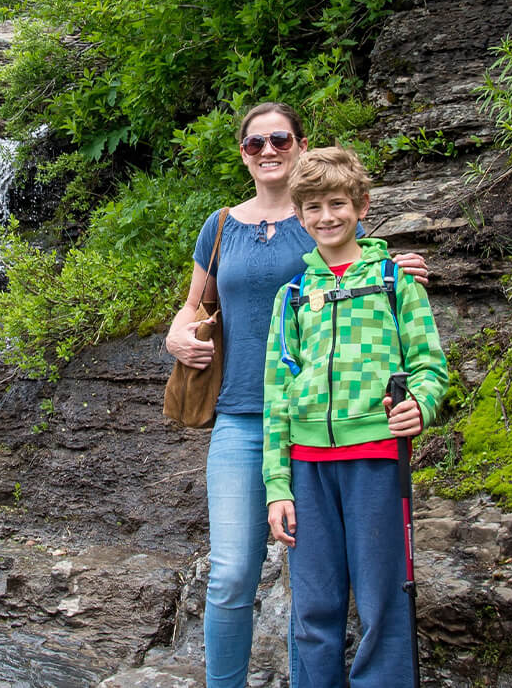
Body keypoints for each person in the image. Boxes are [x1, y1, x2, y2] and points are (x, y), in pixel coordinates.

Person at [164, 103, 427, 688]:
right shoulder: (221, 225)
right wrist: (178, 335)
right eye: (255, 143)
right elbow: (193, 307)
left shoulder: (320, 213)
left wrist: (395, 265)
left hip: (319, 424)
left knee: (312, 580)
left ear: (301, 144)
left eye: (279, 138)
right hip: (241, 417)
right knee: (233, 572)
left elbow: (355, 257)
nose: (267, 150)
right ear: (243, 154)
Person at [263, 146, 446, 688]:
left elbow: (430, 366)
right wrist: (277, 484)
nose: (327, 216)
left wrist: (421, 404)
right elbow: (276, 392)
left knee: (383, 601)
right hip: (307, 469)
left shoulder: (396, 281)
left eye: (338, 203)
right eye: (313, 207)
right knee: (314, 607)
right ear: (299, 216)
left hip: (376, 461)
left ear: (361, 206)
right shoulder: (292, 295)